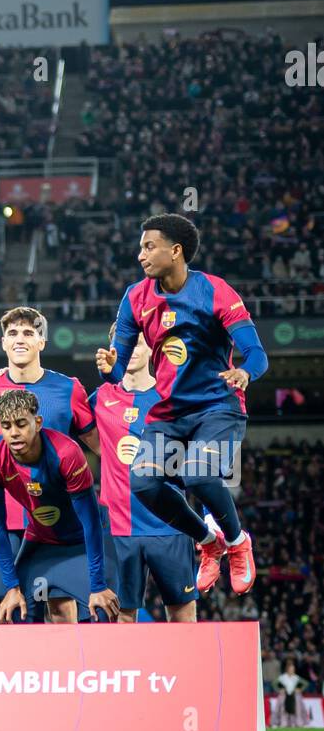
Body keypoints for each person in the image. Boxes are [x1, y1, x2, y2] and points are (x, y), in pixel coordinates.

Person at [97, 214, 268, 596]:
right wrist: (111, 369)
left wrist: (245, 373)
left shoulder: (214, 290)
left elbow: (257, 354)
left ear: (175, 251)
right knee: (142, 483)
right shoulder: (135, 297)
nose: (140, 254)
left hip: (217, 407)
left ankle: (238, 542)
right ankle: (209, 541)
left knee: (199, 476)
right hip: (170, 412)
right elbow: (118, 369)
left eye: (148, 246)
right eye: (141, 247)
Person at [0, 307, 100, 622]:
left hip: (57, 525)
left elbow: (98, 445)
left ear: (42, 341)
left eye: (28, 333)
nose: (20, 339)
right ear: (3, 342)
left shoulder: (69, 388)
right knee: (2, 611)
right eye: (13, 333)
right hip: (7, 524)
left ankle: (58, 673)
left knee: (61, 610)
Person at [0, 389, 119, 625]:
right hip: (41, 541)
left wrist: (97, 585)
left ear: (38, 422)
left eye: (21, 424)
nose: (14, 433)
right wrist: (11, 587)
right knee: (14, 610)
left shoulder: (67, 453)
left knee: (101, 609)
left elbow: (91, 522)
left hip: (83, 542)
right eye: (6, 426)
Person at [92, 328, 196, 622]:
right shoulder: (100, 397)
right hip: (118, 527)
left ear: (152, 347)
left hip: (170, 525)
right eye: (122, 344)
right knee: (121, 618)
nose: (130, 350)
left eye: (137, 342)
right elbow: (84, 433)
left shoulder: (172, 397)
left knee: (183, 616)